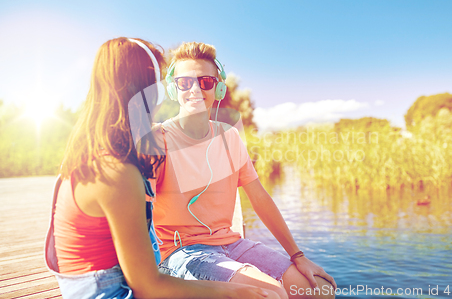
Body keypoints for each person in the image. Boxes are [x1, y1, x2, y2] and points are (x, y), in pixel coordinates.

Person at [44, 37, 278, 299]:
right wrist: (234, 292)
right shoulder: (116, 173)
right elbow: (149, 286)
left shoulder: (103, 155)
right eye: (157, 83)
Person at [152, 42, 337, 299]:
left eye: (205, 81)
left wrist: (298, 256)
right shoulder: (158, 138)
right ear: (174, 88)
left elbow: (260, 198)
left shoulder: (229, 137)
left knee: (321, 290)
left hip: (232, 244)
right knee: (270, 293)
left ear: (218, 88)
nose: (195, 89)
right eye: (185, 82)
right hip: (183, 252)